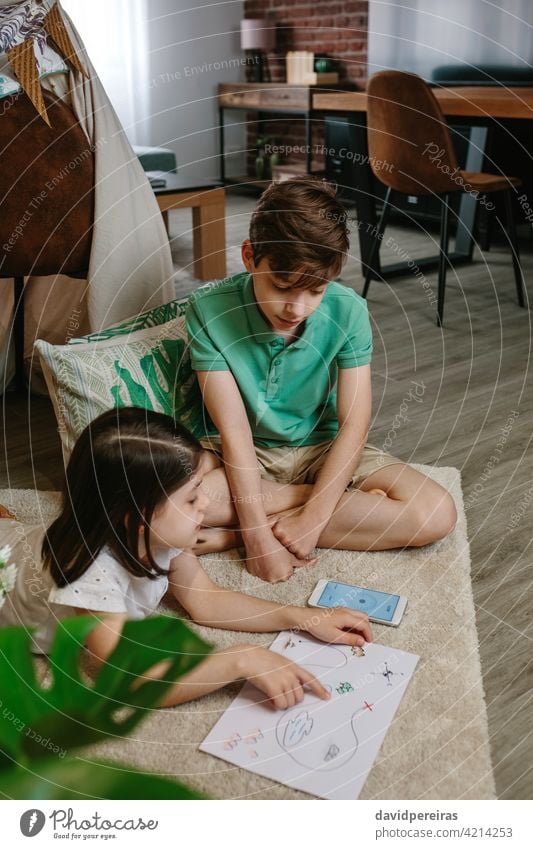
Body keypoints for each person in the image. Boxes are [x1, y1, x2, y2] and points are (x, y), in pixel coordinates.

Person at [0, 407, 372, 710]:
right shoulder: (90, 575)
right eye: (192, 498)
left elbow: (206, 600)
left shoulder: (160, 532)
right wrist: (238, 660)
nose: (206, 504)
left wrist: (302, 617)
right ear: (137, 518)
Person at [185, 177, 457, 583]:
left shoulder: (349, 311)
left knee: (436, 514)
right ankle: (291, 510)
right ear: (249, 257)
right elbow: (235, 432)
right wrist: (259, 540)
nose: (297, 308)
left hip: (322, 447)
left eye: (315, 291)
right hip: (246, 453)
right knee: (178, 507)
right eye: (281, 286)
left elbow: (354, 424)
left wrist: (313, 520)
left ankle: (237, 531)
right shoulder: (208, 310)